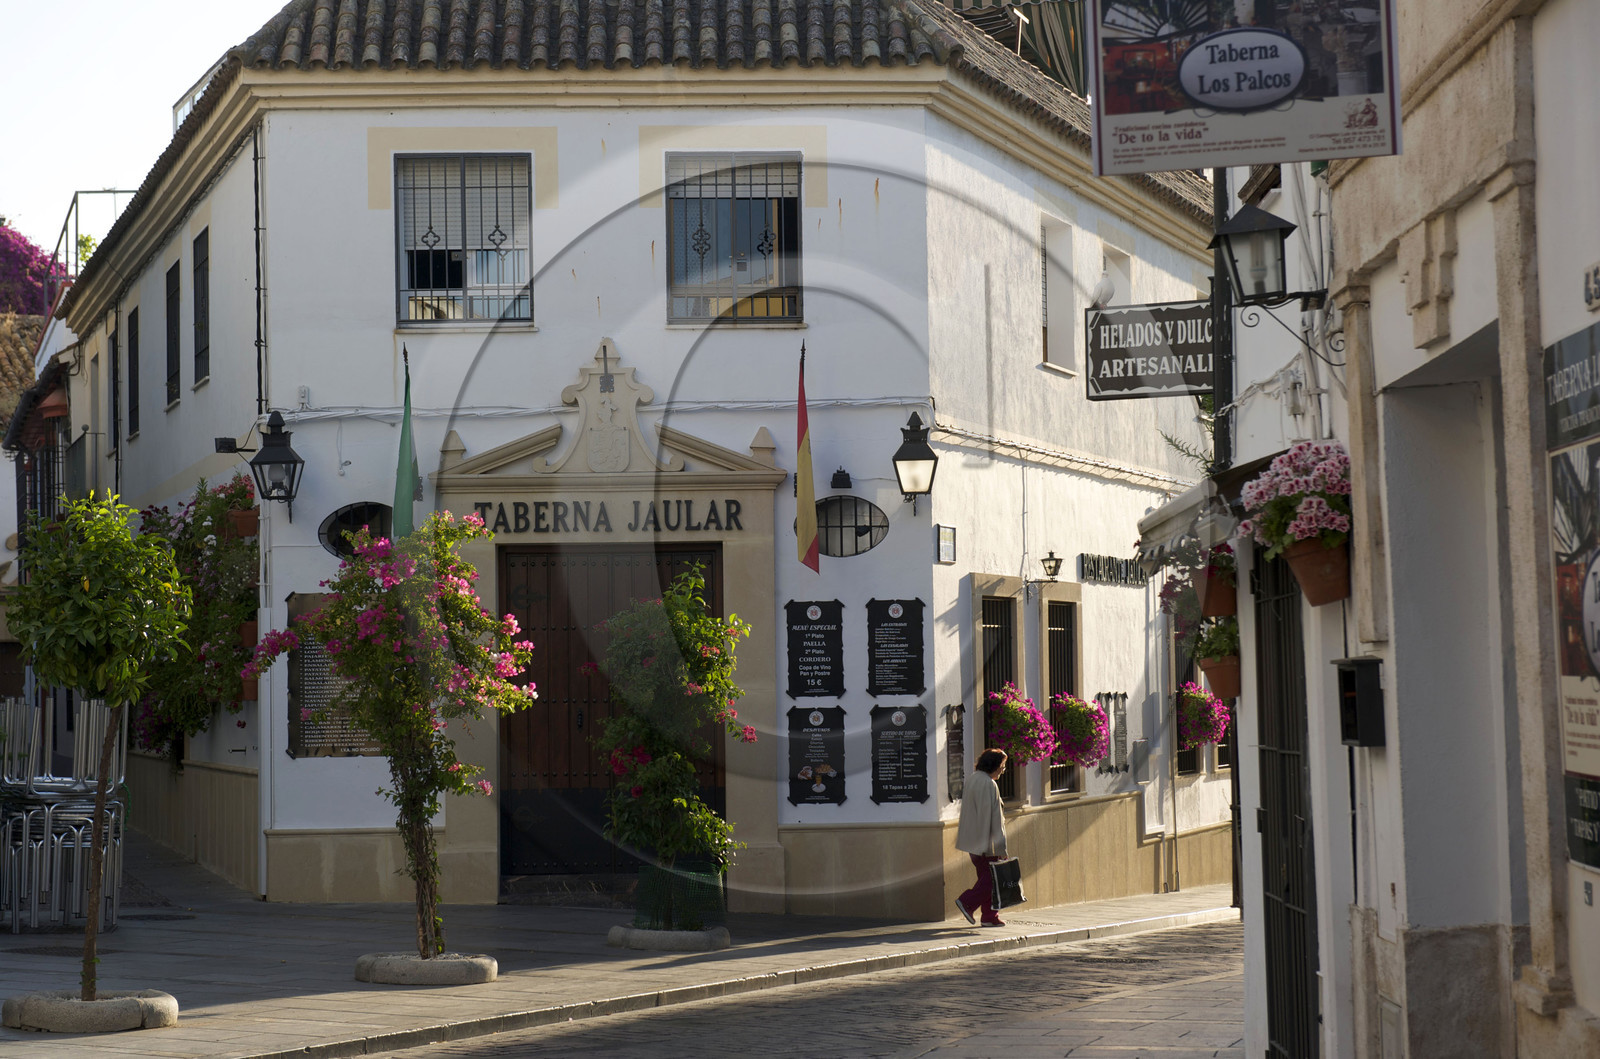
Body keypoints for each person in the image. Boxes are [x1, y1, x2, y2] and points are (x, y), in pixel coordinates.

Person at [954, 748, 1009, 927]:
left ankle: (989, 916)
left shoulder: (973, 779)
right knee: (992, 879)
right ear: (994, 765)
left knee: (986, 879)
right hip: (987, 843)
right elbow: (993, 819)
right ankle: (967, 902)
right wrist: (1000, 847)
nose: (1003, 770)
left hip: (974, 842)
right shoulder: (989, 784)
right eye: (1002, 766)